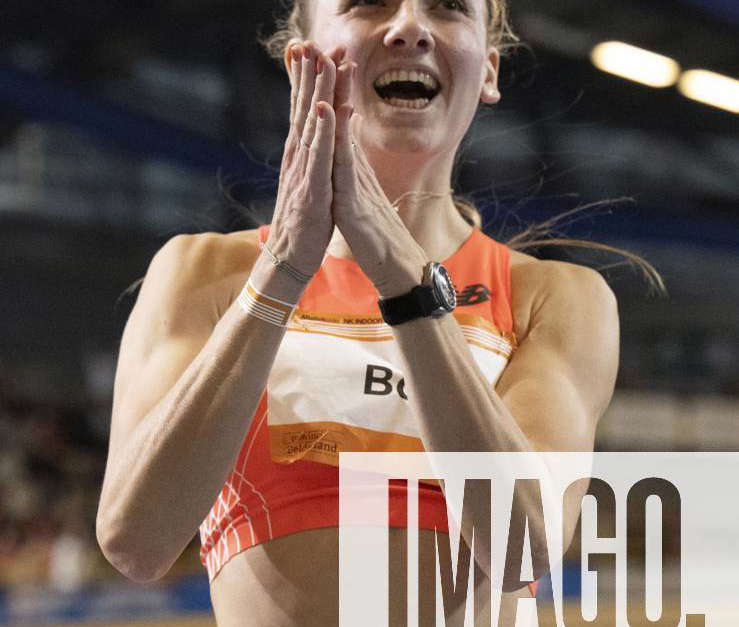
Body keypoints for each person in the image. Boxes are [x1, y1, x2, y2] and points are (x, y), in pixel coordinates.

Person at [96, 0, 621, 624]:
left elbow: (524, 549)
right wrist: (284, 270)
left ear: (488, 70)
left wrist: (407, 283)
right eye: (369, 3)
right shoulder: (204, 276)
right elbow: (137, 540)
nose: (408, 29)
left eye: (449, 8)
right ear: (303, 60)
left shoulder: (555, 298)